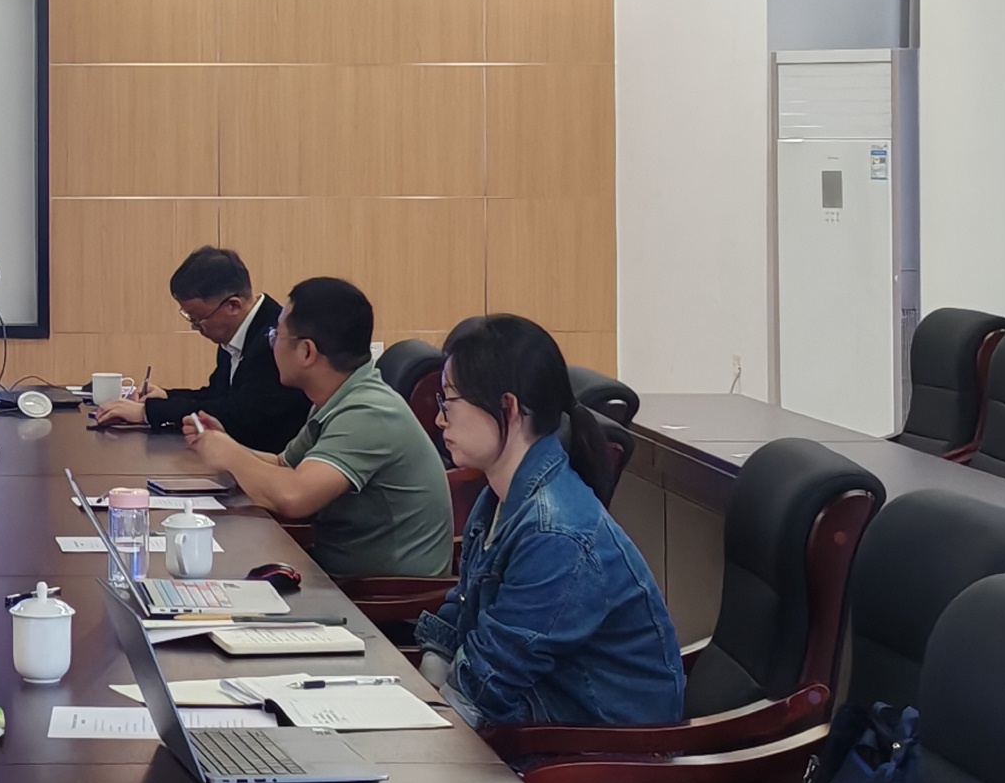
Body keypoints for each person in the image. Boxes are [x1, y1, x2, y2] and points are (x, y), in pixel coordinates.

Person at [406, 313, 682, 733]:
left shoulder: (555, 532)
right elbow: (461, 614)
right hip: (536, 719)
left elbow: (489, 684)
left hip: (597, 755)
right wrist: (423, 685)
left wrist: (421, 718)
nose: (440, 419)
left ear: (508, 407)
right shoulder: (498, 497)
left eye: (449, 402)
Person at [178, 274, 454, 583]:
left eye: (276, 335)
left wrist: (230, 455)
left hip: (380, 597)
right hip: (336, 576)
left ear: (307, 352)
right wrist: (223, 442)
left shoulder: (369, 412)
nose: (272, 344)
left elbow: (294, 496)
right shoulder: (338, 396)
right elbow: (284, 465)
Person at [89, 243, 301, 450]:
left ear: (233, 305)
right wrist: (166, 397)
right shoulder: (237, 331)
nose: (195, 327)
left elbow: (239, 414)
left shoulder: (276, 338)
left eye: (199, 319)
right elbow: (217, 395)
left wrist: (148, 412)